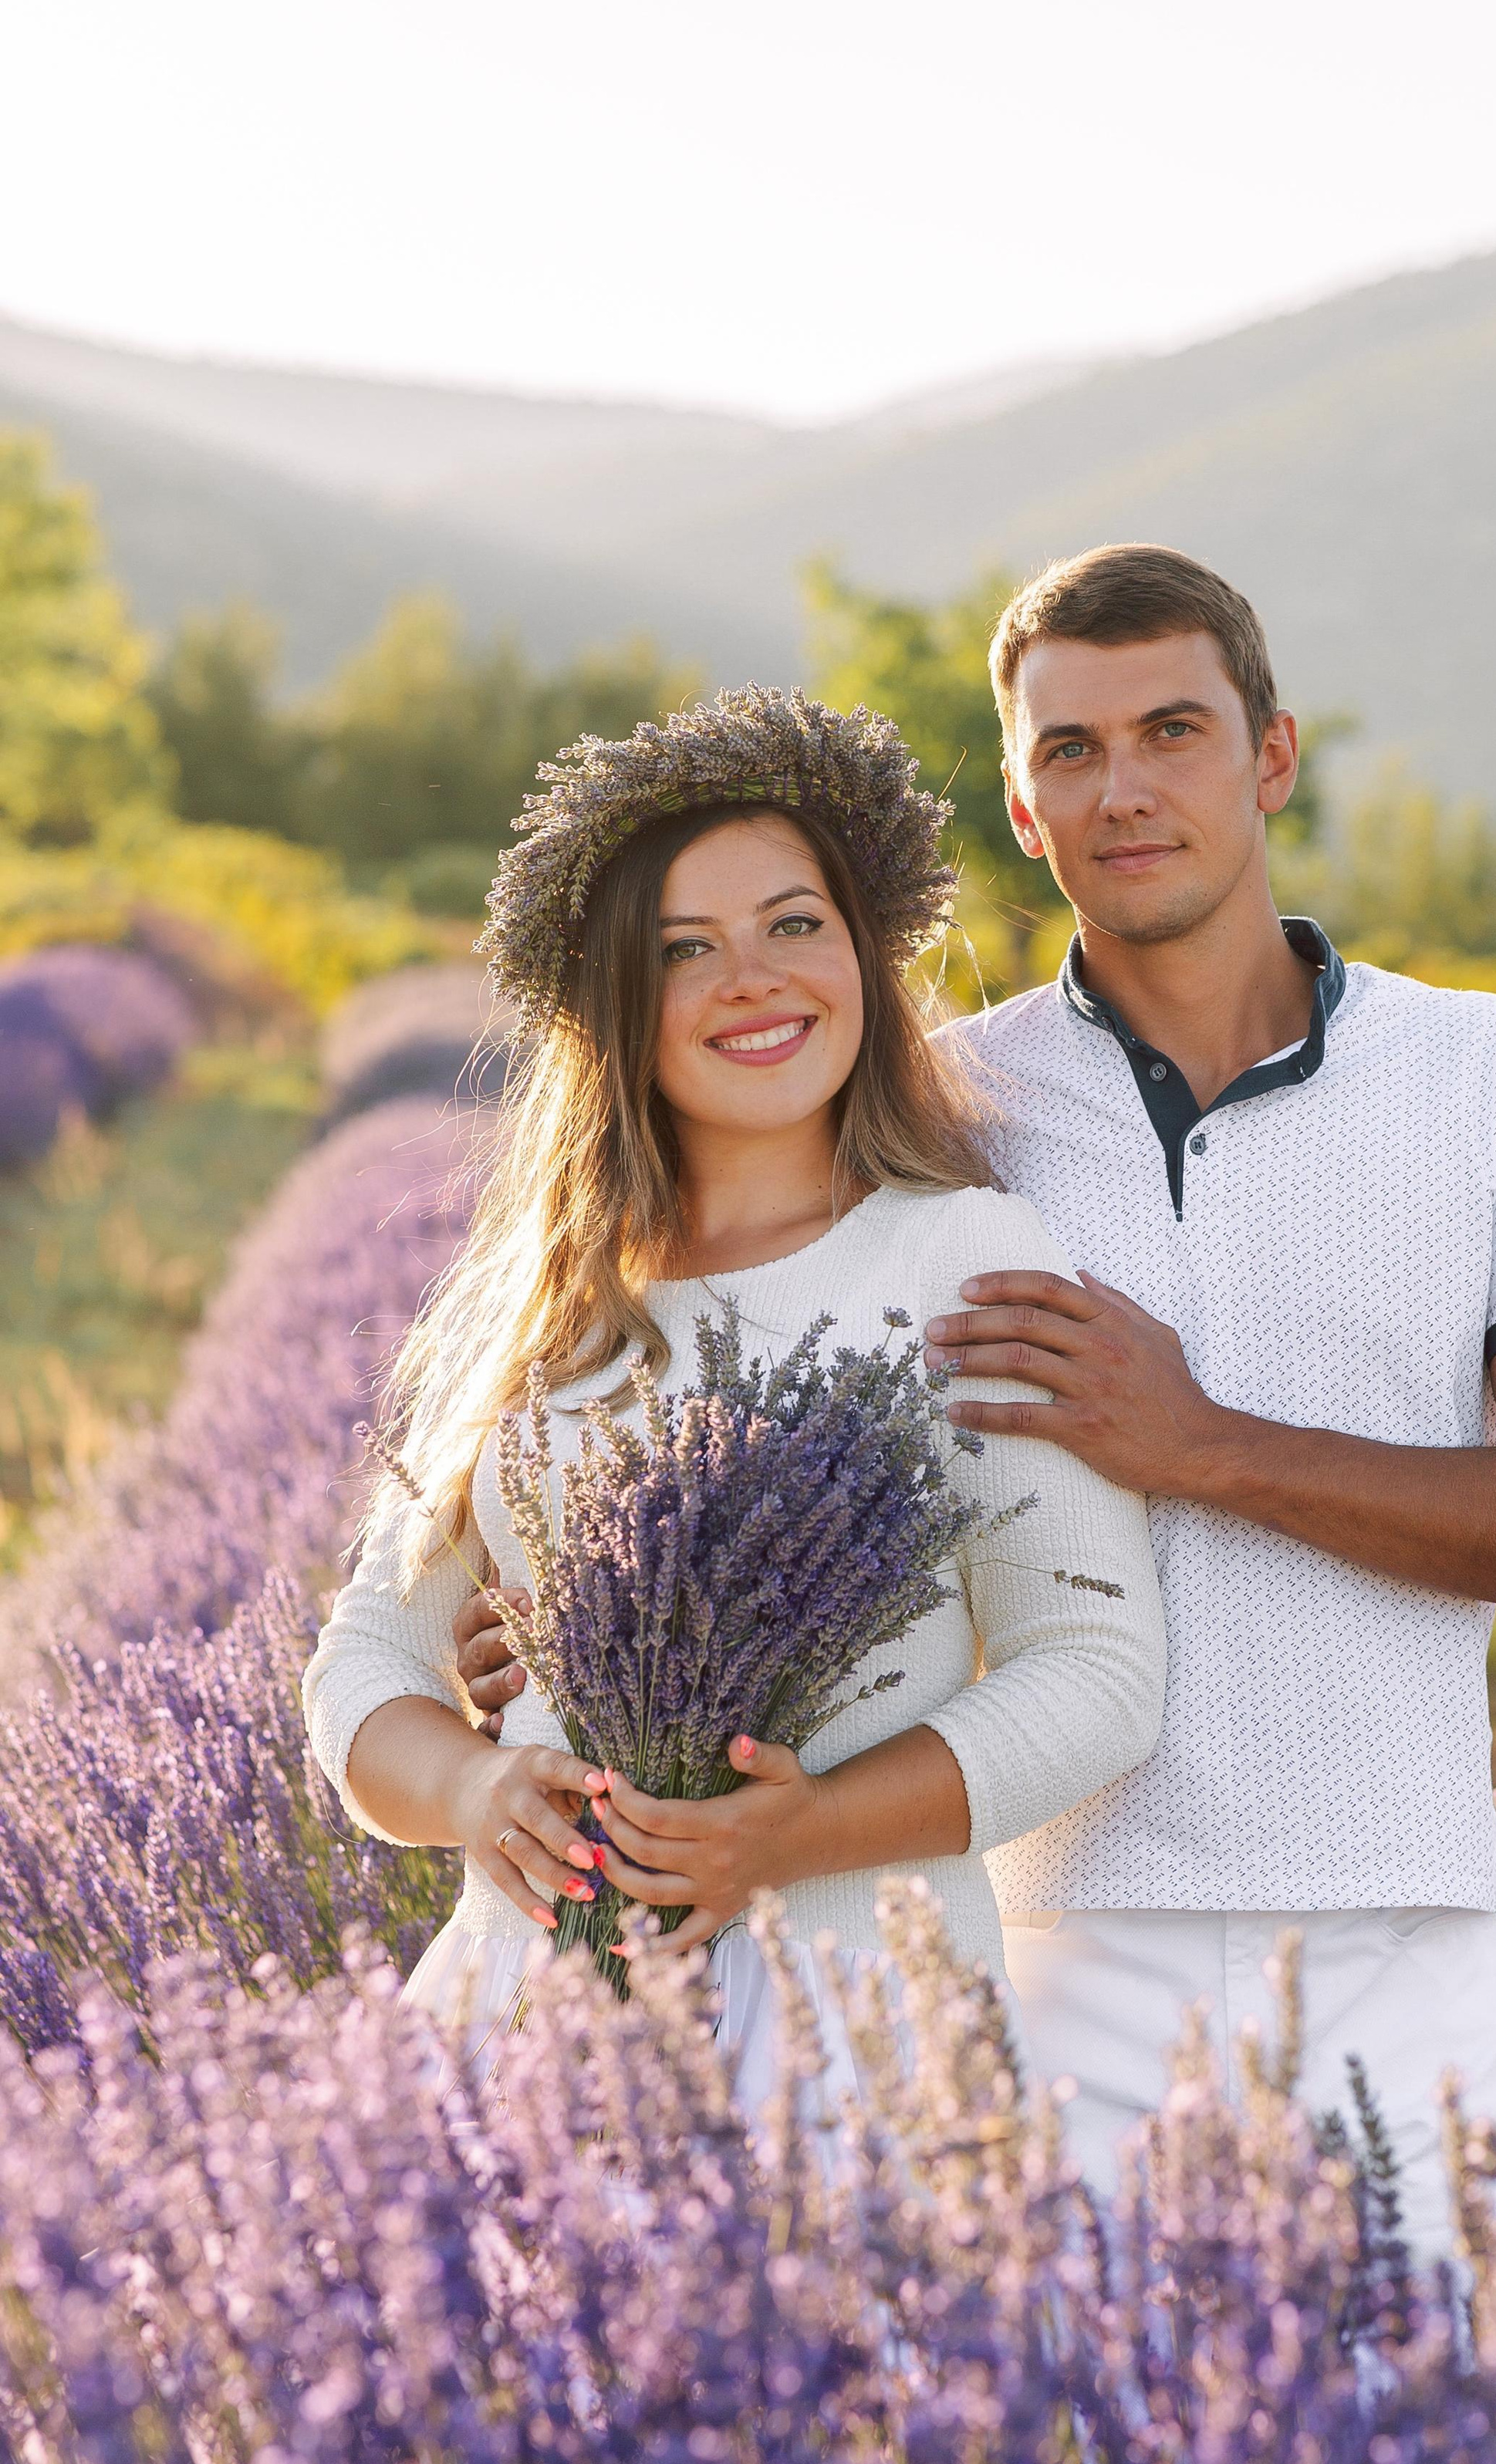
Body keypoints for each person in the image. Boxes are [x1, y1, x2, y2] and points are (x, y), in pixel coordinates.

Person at [913, 543, 1496, 2262]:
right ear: (1024, 812)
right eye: (1068, 751)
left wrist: (1199, 1449)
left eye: (1171, 730)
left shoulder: (1484, 1072)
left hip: (1395, 1941)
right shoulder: (941, 1109)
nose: (1123, 789)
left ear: (1270, 757)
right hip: (1049, 1944)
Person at [302, 687, 1163, 2101]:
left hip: (852, 2021)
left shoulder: (961, 1255)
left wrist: (799, 1829)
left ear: (867, 957)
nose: (751, 978)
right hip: (521, 2015)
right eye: (683, 950)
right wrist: (473, 1791)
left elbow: (1099, 1670)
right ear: (617, 1010)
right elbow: (367, 1664)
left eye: (794, 925)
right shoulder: (549, 1298)